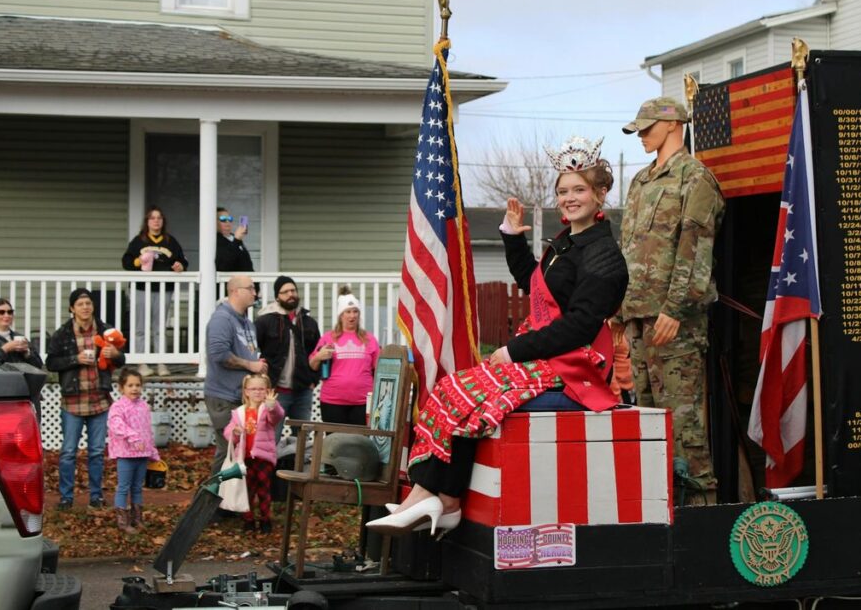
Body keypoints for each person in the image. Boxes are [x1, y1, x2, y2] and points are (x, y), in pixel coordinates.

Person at [368, 136, 628, 536]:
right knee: (451, 388)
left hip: (576, 364)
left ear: (600, 193)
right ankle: (430, 495)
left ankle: (440, 500)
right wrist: (511, 236)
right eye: (563, 191)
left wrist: (514, 350)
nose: (569, 198)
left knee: (465, 393)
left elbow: (578, 326)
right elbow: (534, 283)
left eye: (579, 190)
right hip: (546, 352)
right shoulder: (566, 243)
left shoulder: (603, 254)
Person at [613, 97, 726, 503]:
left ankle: (700, 512)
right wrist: (620, 313)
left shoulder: (694, 179)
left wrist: (676, 309)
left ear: (674, 124)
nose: (641, 135)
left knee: (683, 426)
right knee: (645, 420)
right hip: (639, 317)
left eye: (647, 128)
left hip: (674, 321)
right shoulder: (642, 181)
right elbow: (629, 249)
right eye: (639, 129)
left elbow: (694, 250)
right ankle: (659, 509)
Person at [47, 288, 125, 510]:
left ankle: (96, 496)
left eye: (88, 303)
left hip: (99, 399)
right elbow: (51, 362)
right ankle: (66, 497)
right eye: (80, 304)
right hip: (72, 401)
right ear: (72, 308)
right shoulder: (63, 333)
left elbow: (122, 359)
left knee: (97, 452)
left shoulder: (106, 330)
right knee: (69, 452)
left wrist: (115, 355)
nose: (85, 307)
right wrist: (75, 358)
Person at [204, 274, 268, 474]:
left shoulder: (248, 323)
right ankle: (209, 502)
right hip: (223, 397)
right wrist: (250, 365)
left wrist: (257, 364)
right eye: (250, 288)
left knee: (239, 452)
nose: (254, 293)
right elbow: (219, 354)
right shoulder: (222, 319)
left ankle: (231, 503)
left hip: (242, 397)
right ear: (234, 291)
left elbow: (247, 354)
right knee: (228, 451)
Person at [121, 205, 188, 377]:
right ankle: (142, 362)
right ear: (147, 222)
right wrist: (139, 261)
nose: (156, 221)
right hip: (141, 288)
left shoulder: (170, 241)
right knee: (140, 327)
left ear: (163, 221)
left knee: (159, 327)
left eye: (159, 218)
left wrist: (180, 266)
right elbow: (127, 262)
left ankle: (161, 362)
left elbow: (182, 261)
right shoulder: (139, 241)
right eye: (152, 218)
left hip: (163, 289)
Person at [254, 276, 321, 439]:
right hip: (275, 391)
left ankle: (298, 466)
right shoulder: (265, 321)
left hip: (303, 390)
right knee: (271, 436)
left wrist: (314, 380)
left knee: (302, 439)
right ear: (277, 296)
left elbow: (317, 353)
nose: (290, 294)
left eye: (293, 290)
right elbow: (252, 348)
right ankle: (270, 465)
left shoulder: (309, 322)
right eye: (285, 292)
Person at [309, 287, 381, 426]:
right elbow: (312, 365)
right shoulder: (328, 338)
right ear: (341, 315)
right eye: (347, 312)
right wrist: (319, 356)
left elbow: (378, 369)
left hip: (363, 401)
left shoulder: (370, 339)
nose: (352, 316)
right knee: (335, 442)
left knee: (359, 443)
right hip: (332, 400)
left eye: (355, 311)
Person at [223, 373, 285, 533]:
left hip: (263, 457)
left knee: (264, 491)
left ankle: (265, 520)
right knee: (247, 491)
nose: (257, 392)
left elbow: (276, 416)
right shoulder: (239, 412)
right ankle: (248, 520)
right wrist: (235, 432)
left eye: (261, 389)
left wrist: (272, 405)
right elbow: (228, 431)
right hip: (244, 458)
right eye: (253, 389)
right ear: (246, 392)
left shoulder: (267, 409)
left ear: (267, 390)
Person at [107, 368, 160, 534]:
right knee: (124, 487)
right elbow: (115, 425)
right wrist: (132, 437)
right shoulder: (118, 407)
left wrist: (152, 451)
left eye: (138, 385)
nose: (134, 388)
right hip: (126, 454)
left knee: (137, 487)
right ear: (121, 387)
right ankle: (123, 521)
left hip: (142, 454)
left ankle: (137, 518)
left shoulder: (144, 406)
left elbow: (147, 430)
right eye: (130, 385)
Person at [0, 297, 43, 367]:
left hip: (19, 378)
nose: (7, 315)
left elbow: (39, 365)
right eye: (1, 312)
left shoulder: (19, 337)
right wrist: (4, 349)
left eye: (10, 312)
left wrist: (27, 353)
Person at [215, 207, 254, 281]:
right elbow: (224, 266)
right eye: (223, 219)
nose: (228, 223)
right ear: (215, 222)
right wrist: (236, 240)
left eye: (230, 219)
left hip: (247, 286)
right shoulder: (215, 240)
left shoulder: (235, 238)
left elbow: (247, 264)